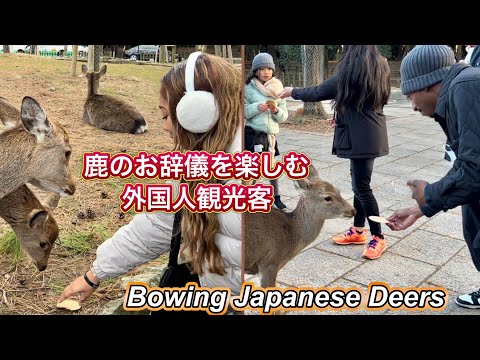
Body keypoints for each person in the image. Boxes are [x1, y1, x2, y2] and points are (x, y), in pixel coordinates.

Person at [59, 52, 243, 313]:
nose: (165, 127)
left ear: (199, 114)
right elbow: (157, 224)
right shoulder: (197, 164)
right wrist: (94, 275)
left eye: (166, 116)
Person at [385, 45, 480, 309]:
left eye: (410, 94)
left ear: (428, 84)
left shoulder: (466, 87)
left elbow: (475, 171)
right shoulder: (460, 89)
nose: (412, 106)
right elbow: (467, 164)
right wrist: (420, 208)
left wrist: (429, 194)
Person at [279, 45, 391, 260]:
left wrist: (292, 91)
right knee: (359, 184)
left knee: (362, 188)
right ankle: (358, 231)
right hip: (370, 131)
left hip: (361, 137)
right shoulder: (380, 65)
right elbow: (363, 102)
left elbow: (318, 92)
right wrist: (343, 116)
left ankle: (378, 237)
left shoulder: (352, 69)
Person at [244, 52, 289, 210]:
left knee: (271, 167)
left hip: (270, 136)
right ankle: (250, 198)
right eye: (262, 68)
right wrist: (257, 108)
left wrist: (276, 111)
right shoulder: (248, 89)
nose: (266, 72)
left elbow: (284, 116)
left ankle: (276, 198)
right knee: (253, 167)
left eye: (269, 68)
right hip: (253, 134)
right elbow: (243, 112)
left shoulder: (278, 89)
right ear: (256, 71)